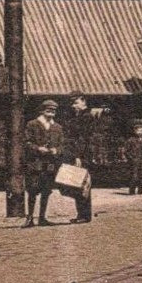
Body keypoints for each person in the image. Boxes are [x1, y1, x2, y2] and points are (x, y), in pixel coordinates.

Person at [24, 101, 65, 227]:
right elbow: (26, 142)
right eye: (48, 110)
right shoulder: (32, 124)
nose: (51, 112)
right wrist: (37, 148)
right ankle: (30, 218)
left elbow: (62, 145)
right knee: (32, 190)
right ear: (42, 111)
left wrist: (56, 150)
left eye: (53, 110)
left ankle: (42, 218)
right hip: (35, 163)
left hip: (50, 164)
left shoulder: (57, 127)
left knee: (46, 191)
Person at [60, 93, 99, 223]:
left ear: (83, 101)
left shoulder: (86, 117)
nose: (73, 106)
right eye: (72, 103)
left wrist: (78, 156)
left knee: (82, 184)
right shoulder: (79, 116)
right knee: (78, 183)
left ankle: (84, 215)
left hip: (83, 155)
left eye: (76, 103)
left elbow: (83, 139)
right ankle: (82, 214)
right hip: (79, 154)